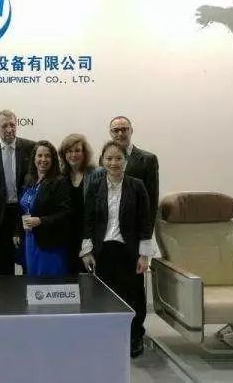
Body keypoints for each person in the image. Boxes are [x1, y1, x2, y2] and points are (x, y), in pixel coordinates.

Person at [81, 141, 152, 358]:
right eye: (109, 158)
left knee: (133, 296)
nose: (114, 163)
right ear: (102, 161)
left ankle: (134, 336)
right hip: (102, 250)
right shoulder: (95, 185)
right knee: (104, 297)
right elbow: (88, 220)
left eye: (118, 158)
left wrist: (144, 255)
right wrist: (86, 251)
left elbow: (145, 222)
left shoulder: (137, 186)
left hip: (129, 251)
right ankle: (108, 337)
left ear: (126, 161)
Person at [108, 115, 159, 356]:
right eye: (115, 130)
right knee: (113, 289)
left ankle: (136, 335)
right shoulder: (107, 160)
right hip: (110, 239)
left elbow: (151, 205)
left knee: (135, 290)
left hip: (134, 240)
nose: (120, 133)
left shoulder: (146, 160)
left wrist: (145, 248)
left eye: (124, 129)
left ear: (131, 130)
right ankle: (114, 335)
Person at [0, 110, 35, 275]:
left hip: (26, 211)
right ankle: (5, 291)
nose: (10, 129)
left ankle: (28, 289)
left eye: (12, 124)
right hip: (1, 213)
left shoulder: (30, 147)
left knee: (28, 259)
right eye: (5, 126)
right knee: (3, 263)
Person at [14, 141, 71, 276]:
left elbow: (66, 213)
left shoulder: (60, 181)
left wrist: (41, 221)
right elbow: (23, 209)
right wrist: (17, 232)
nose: (43, 160)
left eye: (47, 156)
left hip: (49, 243)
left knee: (49, 282)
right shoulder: (29, 179)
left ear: (53, 159)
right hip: (30, 240)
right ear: (34, 158)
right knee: (32, 279)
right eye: (39, 156)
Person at [58, 134, 100, 274]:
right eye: (69, 151)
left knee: (88, 278)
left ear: (84, 153)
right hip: (67, 237)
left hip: (89, 236)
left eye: (77, 150)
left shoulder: (96, 173)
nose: (73, 155)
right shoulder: (61, 176)